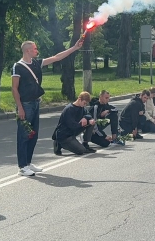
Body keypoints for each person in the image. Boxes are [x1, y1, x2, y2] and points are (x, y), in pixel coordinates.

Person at [13, 39, 83, 177]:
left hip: (35, 103)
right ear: (27, 50)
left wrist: (74, 48)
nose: (37, 51)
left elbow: (57, 57)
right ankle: (22, 166)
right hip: (25, 104)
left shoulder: (37, 63)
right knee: (23, 135)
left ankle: (28, 162)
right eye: (34, 49)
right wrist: (19, 107)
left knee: (33, 134)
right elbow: (14, 88)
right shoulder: (18, 66)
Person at [52, 92, 96, 156]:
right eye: (84, 103)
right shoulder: (69, 109)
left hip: (73, 132)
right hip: (65, 135)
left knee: (91, 122)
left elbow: (89, 114)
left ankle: (85, 143)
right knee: (81, 150)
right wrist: (84, 123)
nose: (85, 105)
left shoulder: (82, 108)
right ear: (79, 99)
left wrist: (85, 118)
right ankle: (59, 143)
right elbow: (72, 126)